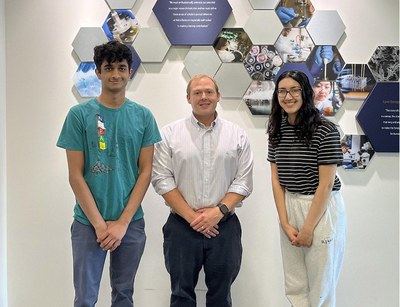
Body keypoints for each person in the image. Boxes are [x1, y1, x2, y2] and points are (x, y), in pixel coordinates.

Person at [57, 41, 161, 307]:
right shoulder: (78, 115)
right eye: (109, 68)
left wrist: (123, 223)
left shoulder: (143, 116)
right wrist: (100, 225)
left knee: (124, 295)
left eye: (122, 68)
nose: (116, 74)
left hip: (131, 223)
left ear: (130, 72)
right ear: (98, 72)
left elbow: (145, 172)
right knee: (84, 298)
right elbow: (75, 176)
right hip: (87, 223)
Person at [152, 74, 254, 307]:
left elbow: (243, 181)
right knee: (181, 295)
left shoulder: (237, 135)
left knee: (221, 296)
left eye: (209, 91)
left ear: (218, 96)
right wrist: (193, 217)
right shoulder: (169, 134)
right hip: (181, 228)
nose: (203, 97)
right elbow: (161, 179)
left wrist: (217, 213)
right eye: (197, 92)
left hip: (224, 227)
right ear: (188, 98)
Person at [266, 70, 346, 306]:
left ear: (305, 93)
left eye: (294, 90)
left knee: (321, 284)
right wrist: (284, 221)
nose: (287, 96)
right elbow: (275, 179)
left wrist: (309, 228)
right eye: (282, 91)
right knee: (295, 282)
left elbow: (326, 183)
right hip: (291, 204)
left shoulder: (325, 130)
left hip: (320, 208)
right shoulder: (276, 129)